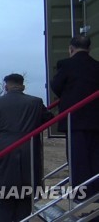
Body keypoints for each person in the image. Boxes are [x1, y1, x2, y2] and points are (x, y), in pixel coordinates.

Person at [0, 73, 53, 222]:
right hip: (29, 149)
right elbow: (49, 119)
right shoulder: (35, 102)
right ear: (23, 86)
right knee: (26, 193)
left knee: (4, 192)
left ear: (6, 86)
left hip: (4, 150)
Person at [50, 35, 99, 201]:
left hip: (74, 120)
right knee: (95, 157)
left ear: (71, 49)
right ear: (89, 49)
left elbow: (56, 86)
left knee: (78, 159)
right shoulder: (96, 66)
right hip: (96, 121)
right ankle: (96, 192)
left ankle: (81, 194)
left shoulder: (66, 64)